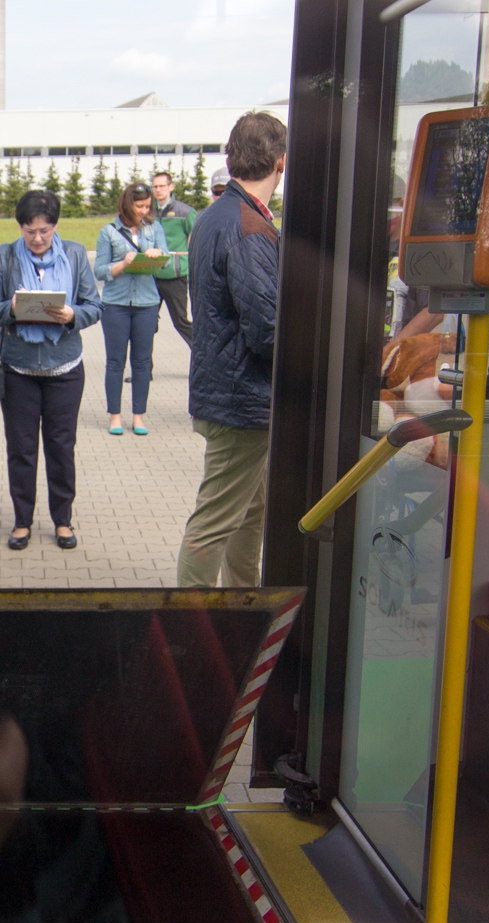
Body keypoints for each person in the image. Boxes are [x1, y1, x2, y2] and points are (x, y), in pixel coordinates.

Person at [177, 111, 286, 588]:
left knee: (249, 512)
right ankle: (190, 627)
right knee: (215, 522)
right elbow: (267, 329)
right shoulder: (249, 227)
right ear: (281, 163)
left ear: (230, 156)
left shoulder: (213, 216)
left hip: (225, 391)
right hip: (242, 400)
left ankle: (241, 606)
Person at [0, 190, 101, 551]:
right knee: (22, 448)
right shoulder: (3, 256)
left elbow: (94, 305)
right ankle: (21, 521)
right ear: (20, 227)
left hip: (65, 368)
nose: (38, 238)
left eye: (45, 230)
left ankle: (63, 520)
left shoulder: (75, 254)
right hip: (18, 368)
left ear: (56, 226)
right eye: (30, 231)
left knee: (61, 448)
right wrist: (12, 309)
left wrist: (73, 315)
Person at [94, 182, 169, 435]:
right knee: (115, 362)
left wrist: (157, 254)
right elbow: (100, 270)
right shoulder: (109, 231)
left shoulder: (154, 227)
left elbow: (166, 263)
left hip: (147, 303)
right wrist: (121, 264)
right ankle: (115, 416)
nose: (144, 210)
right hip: (115, 304)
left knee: (141, 363)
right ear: (127, 204)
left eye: (147, 206)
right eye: (139, 206)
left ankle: (139, 416)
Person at [150, 171, 197, 346]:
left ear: (171, 187)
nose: (158, 190)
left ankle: (204, 360)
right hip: (151, 276)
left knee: (181, 322)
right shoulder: (148, 211)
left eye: (162, 186)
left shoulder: (185, 212)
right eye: (155, 186)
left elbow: (196, 236)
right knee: (148, 325)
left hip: (175, 276)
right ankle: (145, 372)